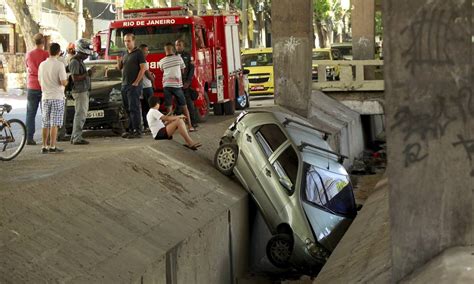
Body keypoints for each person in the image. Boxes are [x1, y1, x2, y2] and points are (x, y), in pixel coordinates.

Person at [37, 43, 68, 153]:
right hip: (57, 96)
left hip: (45, 96)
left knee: (45, 122)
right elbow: (63, 82)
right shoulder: (59, 65)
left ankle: (44, 146)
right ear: (59, 52)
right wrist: (67, 81)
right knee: (54, 123)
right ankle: (52, 146)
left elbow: (40, 81)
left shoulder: (42, 65)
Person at [158, 42, 194, 131]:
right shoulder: (179, 58)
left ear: (165, 50)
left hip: (166, 86)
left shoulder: (161, 61)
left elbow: (162, 70)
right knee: (184, 106)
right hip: (177, 86)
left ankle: (170, 129)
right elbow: (183, 71)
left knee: (169, 108)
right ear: (173, 49)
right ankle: (190, 126)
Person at [117, 33, 147, 138]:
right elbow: (120, 68)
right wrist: (119, 61)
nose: (127, 43)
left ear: (133, 41)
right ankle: (130, 129)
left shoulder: (138, 53)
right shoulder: (124, 53)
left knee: (134, 108)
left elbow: (143, 68)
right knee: (127, 108)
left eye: (129, 41)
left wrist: (136, 82)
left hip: (134, 85)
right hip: (124, 84)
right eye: (125, 41)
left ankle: (137, 131)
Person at [68, 38, 95, 145]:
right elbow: (75, 78)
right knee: (80, 115)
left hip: (83, 91)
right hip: (79, 92)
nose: (87, 56)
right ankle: (77, 138)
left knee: (80, 115)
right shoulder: (74, 61)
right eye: (86, 54)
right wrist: (87, 73)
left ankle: (75, 137)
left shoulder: (79, 61)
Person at [25, 33, 49, 145]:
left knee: (30, 113)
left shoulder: (29, 54)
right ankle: (47, 138)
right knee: (46, 113)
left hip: (31, 86)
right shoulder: (46, 54)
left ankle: (29, 137)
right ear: (43, 42)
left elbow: (28, 67)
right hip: (43, 86)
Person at [175, 39, 198, 129]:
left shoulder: (188, 55)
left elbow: (191, 69)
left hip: (185, 83)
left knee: (189, 104)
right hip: (177, 84)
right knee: (178, 105)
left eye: (179, 45)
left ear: (183, 46)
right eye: (176, 45)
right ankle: (178, 123)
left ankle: (193, 122)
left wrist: (188, 81)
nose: (178, 47)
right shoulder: (174, 56)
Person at [139, 44, 155, 131]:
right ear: (142, 51)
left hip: (141, 88)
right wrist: (153, 81)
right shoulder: (143, 61)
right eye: (146, 50)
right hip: (147, 87)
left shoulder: (137, 61)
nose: (147, 52)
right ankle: (151, 125)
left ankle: (146, 125)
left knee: (144, 108)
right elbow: (147, 74)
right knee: (151, 107)